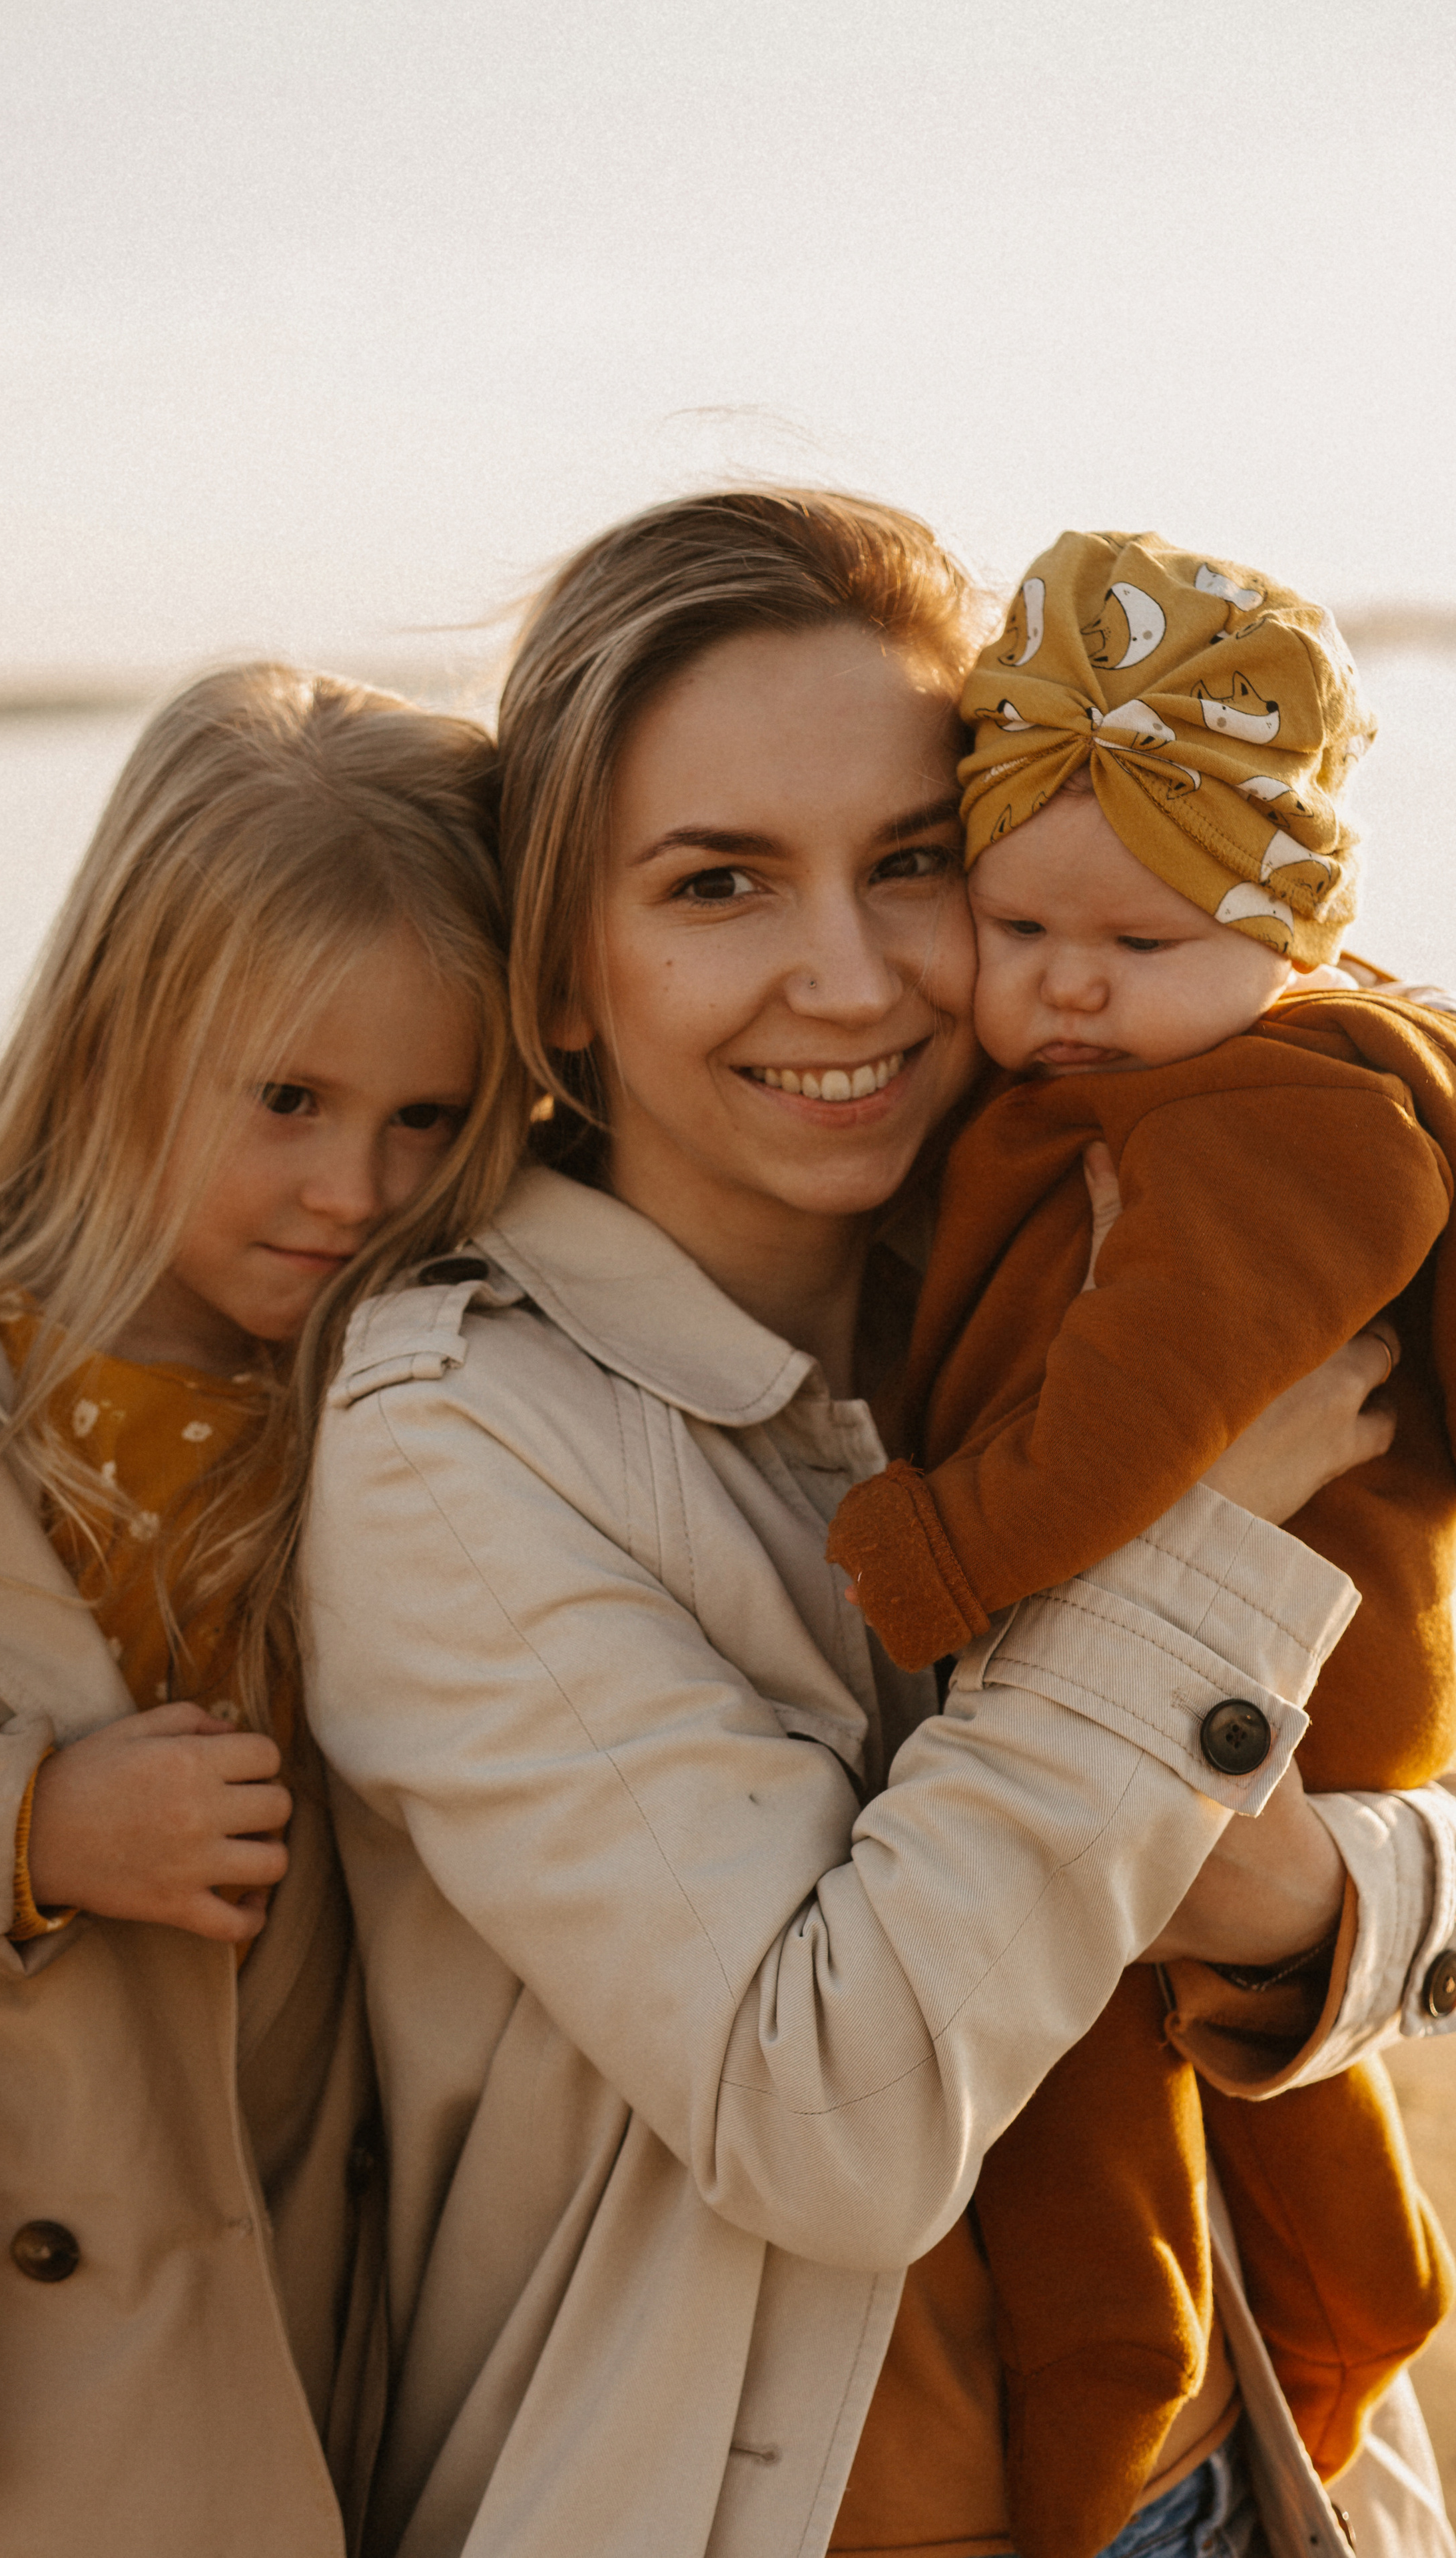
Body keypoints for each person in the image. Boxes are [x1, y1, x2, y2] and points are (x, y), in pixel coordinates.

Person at [302, 490, 1456, 2558]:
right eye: (719, 883)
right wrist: (1188, 1550)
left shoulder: (1109, 1264)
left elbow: (1404, 1805)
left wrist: (1316, 1911)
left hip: (1248, 2481)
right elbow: (827, 2122)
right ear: (559, 973)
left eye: (915, 863)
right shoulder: (460, 1446)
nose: (847, 980)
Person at [0, 664, 530, 2558]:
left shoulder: (426, 1401)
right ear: (117, 1033)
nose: (354, 1186)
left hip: (279, 2286)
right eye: (289, 1100)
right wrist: (28, 1829)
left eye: (428, 1117)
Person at [825, 529, 1456, 2555]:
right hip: (1212, 1692)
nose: (1068, 984)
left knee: (1106, 2130)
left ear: (1295, 930)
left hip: (1257, 1683)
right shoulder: (1160, 1083)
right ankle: (1332, 2331)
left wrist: (932, 1560)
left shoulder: (1273, 1127)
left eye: (1147, 939)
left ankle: (1124, 2454)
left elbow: (1128, 1423)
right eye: (1017, 924)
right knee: (1240, 2096)